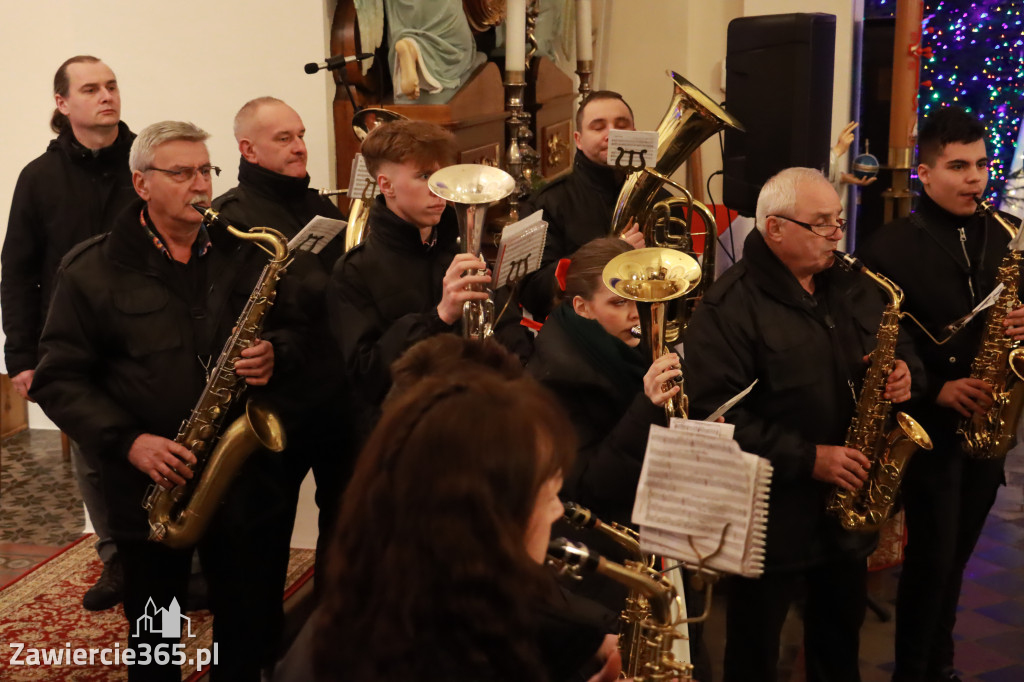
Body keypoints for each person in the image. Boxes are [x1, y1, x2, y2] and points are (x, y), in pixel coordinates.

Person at [31, 121, 299, 681]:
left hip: (242, 483)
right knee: (156, 634)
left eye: (205, 170)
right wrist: (129, 442)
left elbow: (297, 328)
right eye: (181, 173)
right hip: (149, 487)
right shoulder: (92, 270)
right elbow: (59, 381)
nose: (199, 185)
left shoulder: (245, 250)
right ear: (142, 183)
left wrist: (275, 351)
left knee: (248, 629)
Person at [683, 167, 918, 682]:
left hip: (846, 508)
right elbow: (714, 417)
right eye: (822, 224)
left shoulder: (855, 284)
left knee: (838, 643)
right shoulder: (728, 308)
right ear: (775, 229)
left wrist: (905, 375)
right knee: (754, 653)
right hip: (770, 515)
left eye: (838, 221)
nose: (838, 235)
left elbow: (900, 350)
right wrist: (811, 458)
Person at [306, 365, 622, 681]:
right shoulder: (444, 654)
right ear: (489, 520)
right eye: (548, 495)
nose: (557, 511)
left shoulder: (398, 597)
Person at [857, 106, 1024, 682]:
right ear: (924, 173)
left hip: (991, 425)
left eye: (980, 164)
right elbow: (879, 343)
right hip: (929, 429)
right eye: (957, 166)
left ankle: (942, 666)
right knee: (930, 565)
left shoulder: (1004, 235)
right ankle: (914, 670)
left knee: (956, 564)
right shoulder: (888, 248)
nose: (974, 178)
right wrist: (936, 387)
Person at [526, 237, 712, 681]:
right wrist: (647, 406)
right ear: (583, 307)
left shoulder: (621, 350)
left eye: (636, 300)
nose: (636, 313)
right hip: (599, 566)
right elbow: (588, 486)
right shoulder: (559, 377)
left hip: (648, 537)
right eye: (617, 303)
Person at [1, 55, 137, 612]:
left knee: (169, 448)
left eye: (111, 85)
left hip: (151, 333)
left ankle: (181, 559)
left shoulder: (147, 162)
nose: (106, 95)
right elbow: (18, 271)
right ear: (63, 104)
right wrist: (23, 356)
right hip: (73, 342)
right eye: (90, 88)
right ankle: (118, 563)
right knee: (94, 457)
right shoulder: (39, 177)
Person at [212, 96, 354, 583]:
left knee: (347, 529)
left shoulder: (319, 206)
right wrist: (277, 347)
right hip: (275, 402)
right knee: (260, 543)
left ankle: (332, 633)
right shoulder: (230, 219)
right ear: (248, 150)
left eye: (300, 136)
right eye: (284, 139)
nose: (299, 148)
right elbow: (225, 317)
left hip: (334, 400)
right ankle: (257, 651)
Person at [328, 119, 529, 415]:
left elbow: (509, 328)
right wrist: (440, 316)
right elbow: (367, 376)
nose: (440, 189)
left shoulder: (460, 247)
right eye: (424, 176)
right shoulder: (353, 272)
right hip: (410, 429)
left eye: (440, 175)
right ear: (386, 185)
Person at [518, 91, 645, 319]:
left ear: (635, 133)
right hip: (577, 335)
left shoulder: (660, 198)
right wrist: (605, 258)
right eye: (598, 127)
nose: (611, 134)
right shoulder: (546, 202)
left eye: (621, 125)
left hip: (649, 328)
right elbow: (533, 292)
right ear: (578, 139)